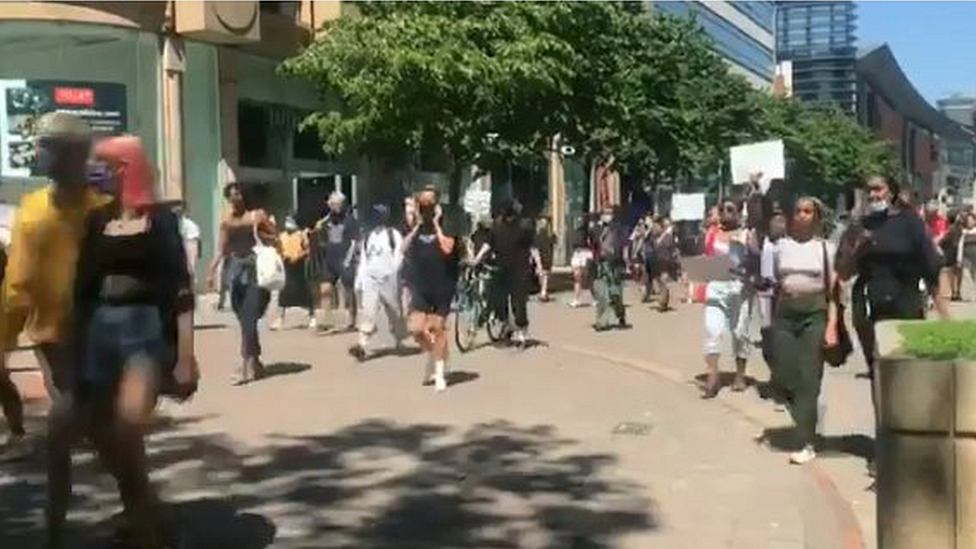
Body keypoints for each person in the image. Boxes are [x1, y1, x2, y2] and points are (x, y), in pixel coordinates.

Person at [71, 136, 198, 547]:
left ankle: (150, 534)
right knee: (100, 433)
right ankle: (143, 510)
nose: (95, 173)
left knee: (128, 426)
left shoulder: (159, 222)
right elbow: (81, 289)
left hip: (144, 330)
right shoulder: (95, 220)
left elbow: (181, 289)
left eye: (102, 165)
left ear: (124, 168)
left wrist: (186, 356)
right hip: (99, 332)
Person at [0, 113, 111, 545]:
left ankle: (64, 531)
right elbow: (18, 287)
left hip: (98, 339)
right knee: (80, 431)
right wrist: (5, 340)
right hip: (53, 340)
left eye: (46, 145)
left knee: (71, 433)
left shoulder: (103, 209)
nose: (39, 153)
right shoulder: (32, 211)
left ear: (69, 153)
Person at [837, 175, 947, 476]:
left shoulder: (909, 222)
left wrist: (944, 312)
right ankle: (883, 447)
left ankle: (911, 444)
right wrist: (856, 249)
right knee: (879, 376)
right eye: (869, 190)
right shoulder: (858, 226)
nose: (873, 194)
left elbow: (931, 266)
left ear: (892, 192)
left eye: (878, 189)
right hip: (870, 310)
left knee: (908, 376)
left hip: (905, 307)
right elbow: (843, 273)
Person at [770, 197, 838, 464]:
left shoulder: (825, 249)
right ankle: (804, 419)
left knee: (809, 378)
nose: (802, 216)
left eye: (807, 212)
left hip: (814, 314)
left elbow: (834, 294)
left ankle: (806, 440)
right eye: (797, 211)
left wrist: (832, 326)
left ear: (817, 217)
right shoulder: (781, 247)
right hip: (786, 313)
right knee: (784, 375)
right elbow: (776, 281)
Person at [207, 182, 276, 385]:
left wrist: (261, 235)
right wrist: (210, 272)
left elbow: (274, 236)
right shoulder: (226, 221)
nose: (235, 198)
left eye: (238, 194)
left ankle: (246, 365)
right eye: (231, 196)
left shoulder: (257, 216)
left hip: (257, 272)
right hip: (235, 273)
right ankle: (255, 361)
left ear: (244, 196)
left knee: (249, 317)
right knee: (243, 318)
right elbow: (220, 249)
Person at [403, 187, 459, 392]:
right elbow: (403, 248)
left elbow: (447, 248)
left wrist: (436, 224)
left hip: (443, 285)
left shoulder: (448, 223)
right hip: (420, 285)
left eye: (430, 204)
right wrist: (417, 226)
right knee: (417, 330)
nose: (426, 209)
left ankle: (439, 372)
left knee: (437, 329)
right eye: (422, 205)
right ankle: (435, 354)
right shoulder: (416, 228)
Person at [699, 198, 756, 399]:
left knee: (739, 332)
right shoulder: (712, 234)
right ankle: (712, 378)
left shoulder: (747, 234)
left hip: (739, 289)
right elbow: (705, 258)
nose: (725, 214)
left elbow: (756, 261)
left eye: (730, 210)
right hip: (716, 286)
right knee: (712, 330)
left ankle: (740, 374)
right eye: (722, 210)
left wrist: (749, 254)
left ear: (739, 213)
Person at [473, 200, 538, 345]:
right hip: (503, 270)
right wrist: (476, 260)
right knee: (498, 298)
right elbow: (487, 246)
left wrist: (538, 264)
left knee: (518, 301)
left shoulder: (521, 228)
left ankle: (521, 329)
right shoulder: (498, 229)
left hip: (518, 270)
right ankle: (505, 323)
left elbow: (532, 247)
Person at [349, 204, 405, 360]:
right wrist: (359, 281)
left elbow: (399, 255)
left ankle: (399, 337)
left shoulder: (393, 235)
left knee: (394, 311)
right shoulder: (368, 237)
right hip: (371, 281)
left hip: (389, 279)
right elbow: (364, 261)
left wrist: (392, 272)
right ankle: (362, 344)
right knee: (368, 312)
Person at [310, 192, 359, 331]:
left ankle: (352, 320)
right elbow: (319, 236)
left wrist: (349, 259)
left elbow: (355, 242)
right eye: (332, 204)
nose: (334, 207)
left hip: (345, 259)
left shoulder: (350, 220)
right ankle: (326, 320)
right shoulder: (327, 220)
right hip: (330, 259)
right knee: (325, 289)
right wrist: (318, 233)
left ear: (343, 204)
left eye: (337, 204)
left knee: (348, 291)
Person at [271, 215, 315, 331]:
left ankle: (311, 316)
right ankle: (280, 318)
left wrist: (299, 256)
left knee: (304, 290)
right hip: (286, 265)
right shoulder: (282, 236)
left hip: (299, 265)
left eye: (290, 221)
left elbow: (308, 250)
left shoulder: (301, 235)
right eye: (286, 221)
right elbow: (278, 250)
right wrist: (282, 255)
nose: (288, 224)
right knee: (284, 291)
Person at [590, 206, 629, 331]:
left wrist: (627, 262)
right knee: (602, 295)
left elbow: (624, 246)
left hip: (615, 265)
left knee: (615, 294)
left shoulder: (618, 228)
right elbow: (592, 242)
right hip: (601, 264)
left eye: (609, 213)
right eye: (605, 213)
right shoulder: (596, 229)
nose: (607, 215)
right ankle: (601, 322)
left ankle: (620, 314)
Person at [568, 215, 593, 308]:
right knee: (577, 278)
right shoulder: (573, 232)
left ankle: (594, 298)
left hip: (585, 253)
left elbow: (592, 242)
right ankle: (577, 299)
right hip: (577, 253)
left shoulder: (588, 232)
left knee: (587, 277)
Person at [534, 216, 556, 302]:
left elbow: (535, 248)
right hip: (546, 256)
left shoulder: (538, 235)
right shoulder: (550, 235)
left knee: (542, 275)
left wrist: (537, 260)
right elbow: (554, 244)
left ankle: (543, 292)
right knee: (545, 275)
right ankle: (543, 292)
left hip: (542, 256)